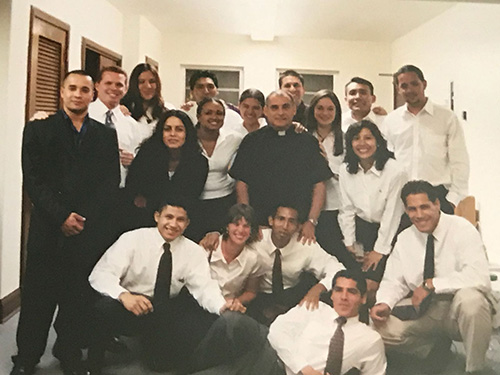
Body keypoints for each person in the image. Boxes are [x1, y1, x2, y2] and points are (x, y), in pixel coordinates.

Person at [12, 70, 120, 375]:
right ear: (62, 92)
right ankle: (26, 357)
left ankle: (69, 351)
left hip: (86, 229)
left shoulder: (104, 135)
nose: (77, 94)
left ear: (92, 95)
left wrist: (82, 219)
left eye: (84, 90)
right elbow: (33, 181)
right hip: (48, 227)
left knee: (77, 297)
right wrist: (61, 216)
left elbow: (109, 182)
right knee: (37, 297)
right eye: (72, 88)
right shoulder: (38, 130)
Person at [88, 198, 249, 374]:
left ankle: (152, 346)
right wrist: (124, 296)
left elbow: (204, 287)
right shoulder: (132, 239)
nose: (173, 224)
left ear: (187, 224)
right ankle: (93, 364)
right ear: (157, 217)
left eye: (180, 220)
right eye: (168, 217)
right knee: (103, 308)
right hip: (128, 302)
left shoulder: (193, 252)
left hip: (164, 309)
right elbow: (100, 274)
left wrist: (222, 306)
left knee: (161, 366)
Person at [370, 180, 492, 374]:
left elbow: (480, 277)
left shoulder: (462, 228)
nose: (419, 215)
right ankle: (433, 349)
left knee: (472, 302)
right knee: (377, 330)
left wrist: (432, 285)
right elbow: (394, 281)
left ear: (437, 204)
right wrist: (384, 303)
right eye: (412, 209)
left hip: (457, 309)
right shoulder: (405, 238)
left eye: (424, 207)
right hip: (425, 310)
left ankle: (475, 369)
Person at [229, 90, 333, 242]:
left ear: (294, 109)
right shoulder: (251, 141)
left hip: (299, 227)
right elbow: (242, 184)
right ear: (265, 110)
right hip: (260, 226)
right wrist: (248, 220)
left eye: (285, 107)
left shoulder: (308, 142)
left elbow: (319, 184)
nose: (280, 112)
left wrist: (311, 221)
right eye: (274, 108)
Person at [383, 65, 469, 213]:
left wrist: (452, 200)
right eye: (404, 86)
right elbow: (386, 162)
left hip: (438, 196)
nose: (410, 90)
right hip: (402, 198)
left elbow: (459, 161)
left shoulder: (446, 117)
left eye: (414, 84)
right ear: (398, 89)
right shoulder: (391, 121)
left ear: (424, 84)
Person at [339, 120, 407, 303]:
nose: (362, 144)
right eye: (356, 139)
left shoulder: (395, 171)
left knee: (371, 286)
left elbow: (392, 214)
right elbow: (346, 209)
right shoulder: (345, 171)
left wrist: (379, 250)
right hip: (362, 230)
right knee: (353, 284)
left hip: (391, 232)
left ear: (378, 141)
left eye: (368, 138)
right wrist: (349, 242)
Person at [269, 269, 386, 375]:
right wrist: (303, 368)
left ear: (363, 298)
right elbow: (276, 332)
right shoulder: (313, 308)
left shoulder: (370, 339)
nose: (344, 297)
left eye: (351, 291)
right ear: (332, 295)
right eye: (338, 290)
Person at [246, 204, 345, 326]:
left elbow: (338, 269)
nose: (285, 226)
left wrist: (319, 288)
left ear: (298, 226)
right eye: (280, 219)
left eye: (291, 222)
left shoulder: (304, 244)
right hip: (257, 297)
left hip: (290, 298)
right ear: (271, 221)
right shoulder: (256, 239)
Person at [124, 110, 208, 235]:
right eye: (167, 129)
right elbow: (134, 190)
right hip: (144, 221)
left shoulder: (199, 162)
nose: (172, 134)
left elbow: (189, 198)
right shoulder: (146, 155)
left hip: (180, 223)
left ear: (187, 133)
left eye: (179, 129)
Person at [305, 89, 354, 269]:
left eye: (330, 109)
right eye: (320, 108)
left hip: (335, 205)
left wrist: (326, 165)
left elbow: (351, 174)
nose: (325, 113)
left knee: (336, 253)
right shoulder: (305, 136)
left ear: (337, 112)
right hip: (308, 205)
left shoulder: (346, 138)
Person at [190, 98, 243, 241]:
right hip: (193, 202)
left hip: (224, 202)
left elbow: (257, 140)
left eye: (219, 113)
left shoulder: (234, 139)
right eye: (208, 113)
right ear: (199, 116)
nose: (214, 117)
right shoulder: (187, 139)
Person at [89, 66, 150, 188]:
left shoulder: (131, 124)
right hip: (86, 189)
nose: (114, 88)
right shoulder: (83, 116)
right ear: (97, 85)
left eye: (119, 85)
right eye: (108, 83)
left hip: (120, 193)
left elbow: (142, 160)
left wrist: (133, 161)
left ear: (126, 89)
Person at [208, 203, 262, 305]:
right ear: (227, 226)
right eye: (236, 224)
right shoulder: (210, 247)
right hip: (202, 303)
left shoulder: (253, 259)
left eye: (246, 226)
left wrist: (236, 302)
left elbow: (251, 292)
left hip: (229, 308)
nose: (240, 230)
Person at [121, 63, 174, 135]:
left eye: (152, 81)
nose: (148, 86)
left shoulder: (167, 111)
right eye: (141, 82)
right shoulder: (122, 110)